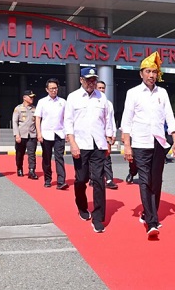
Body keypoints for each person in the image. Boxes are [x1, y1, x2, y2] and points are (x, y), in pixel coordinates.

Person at [121, 52, 175, 237]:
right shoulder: (133, 93)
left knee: (156, 181)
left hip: (159, 143)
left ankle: (148, 212)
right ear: (141, 74)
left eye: (154, 72)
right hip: (140, 143)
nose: (151, 75)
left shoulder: (162, 93)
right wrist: (127, 145)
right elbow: (126, 121)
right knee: (145, 181)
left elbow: (170, 117)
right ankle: (152, 222)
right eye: (148, 71)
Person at [65, 67, 115, 233]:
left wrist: (108, 140)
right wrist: (72, 143)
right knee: (81, 179)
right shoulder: (73, 98)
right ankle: (81, 206)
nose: (91, 83)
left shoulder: (102, 98)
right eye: (88, 80)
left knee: (99, 180)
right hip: (80, 144)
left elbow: (108, 121)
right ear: (81, 80)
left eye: (94, 80)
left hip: (98, 145)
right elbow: (68, 123)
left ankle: (98, 217)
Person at [34, 78, 68, 190]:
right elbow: (38, 118)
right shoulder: (42, 102)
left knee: (59, 157)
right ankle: (47, 179)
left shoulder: (63, 102)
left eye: (55, 88)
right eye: (51, 88)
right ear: (47, 89)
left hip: (59, 133)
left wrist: (68, 133)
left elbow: (67, 118)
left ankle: (61, 181)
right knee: (46, 158)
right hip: (46, 134)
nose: (54, 90)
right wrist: (39, 133)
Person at [96, 81, 118, 189]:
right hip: (95, 135)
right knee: (95, 159)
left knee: (107, 157)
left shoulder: (109, 104)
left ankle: (109, 180)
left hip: (106, 135)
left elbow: (111, 120)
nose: (101, 90)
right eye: (99, 88)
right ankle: (94, 178)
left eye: (103, 88)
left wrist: (113, 133)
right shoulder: (92, 102)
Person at [12, 90, 38, 179]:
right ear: (24, 98)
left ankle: (31, 170)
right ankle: (19, 168)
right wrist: (16, 135)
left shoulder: (35, 109)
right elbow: (14, 122)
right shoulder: (18, 108)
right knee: (19, 154)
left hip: (32, 135)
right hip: (21, 135)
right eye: (30, 97)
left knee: (32, 154)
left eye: (33, 97)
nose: (32, 99)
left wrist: (38, 133)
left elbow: (38, 122)